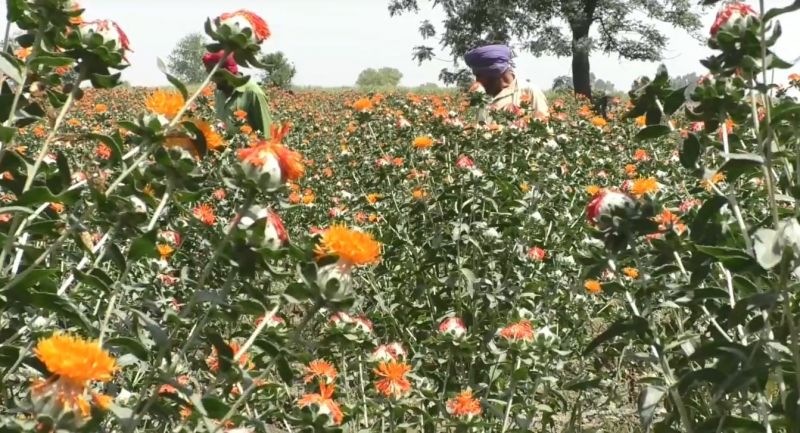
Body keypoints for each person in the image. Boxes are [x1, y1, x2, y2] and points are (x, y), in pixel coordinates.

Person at [464, 44, 549, 124]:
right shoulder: (482, 98)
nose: (477, 81)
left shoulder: (529, 91)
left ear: (496, 73)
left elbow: (544, 130)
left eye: (479, 76)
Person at [202, 50, 273, 135]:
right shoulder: (218, 92)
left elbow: (268, 134)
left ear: (226, 73)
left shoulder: (253, 92)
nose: (211, 79)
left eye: (214, 75)